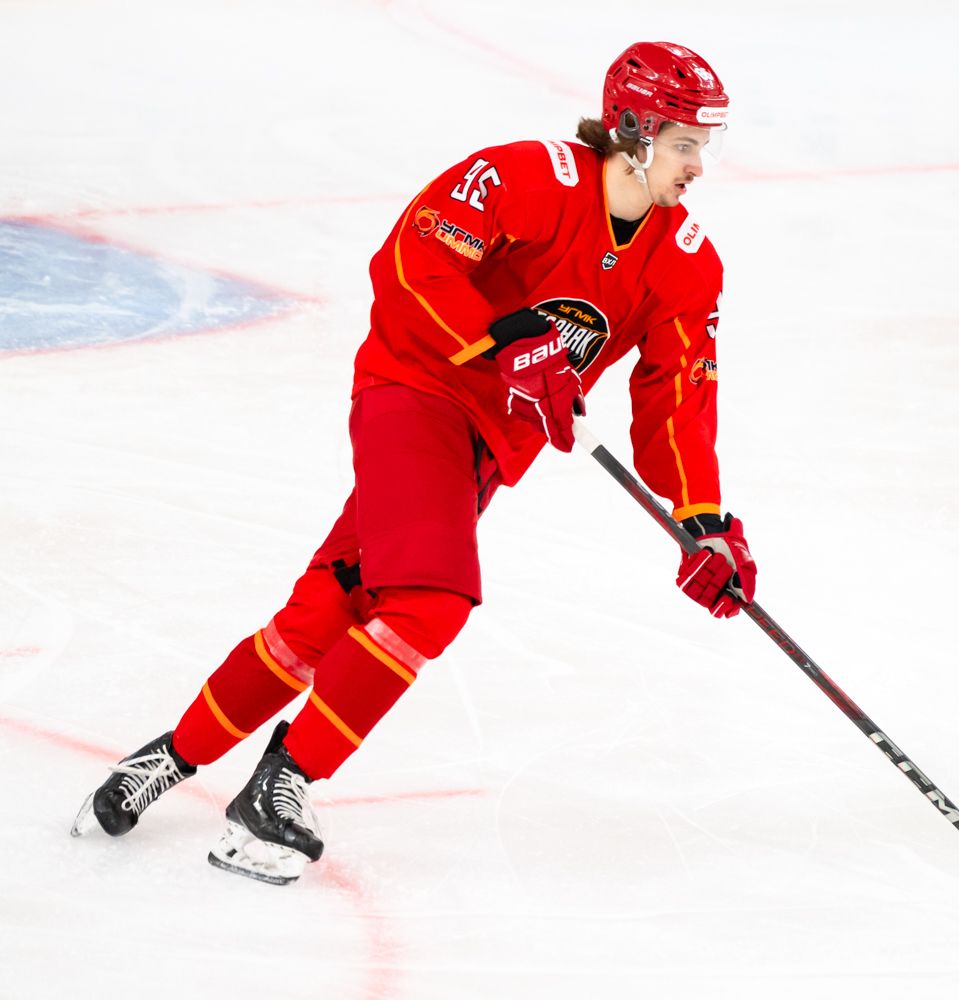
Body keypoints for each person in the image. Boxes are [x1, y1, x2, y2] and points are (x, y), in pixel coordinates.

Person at [70, 41, 757, 885]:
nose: (698, 166)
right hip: (415, 395)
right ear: (634, 131)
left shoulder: (687, 262)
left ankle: (167, 758)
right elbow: (412, 260)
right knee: (430, 600)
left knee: (326, 613)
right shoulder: (526, 176)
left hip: (485, 454)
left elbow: (679, 396)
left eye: (702, 146)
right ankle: (282, 786)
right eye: (685, 144)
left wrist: (703, 521)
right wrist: (503, 340)